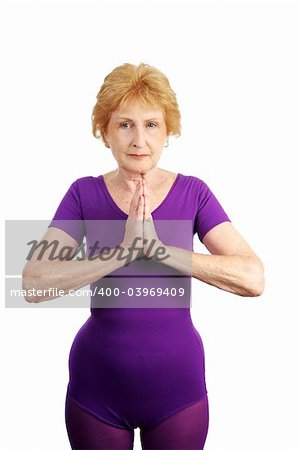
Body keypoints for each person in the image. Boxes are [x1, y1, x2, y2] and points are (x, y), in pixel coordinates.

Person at [22, 62, 265, 450]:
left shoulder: (194, 193)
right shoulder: (83, 194)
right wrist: (121, 253)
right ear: (104, 131)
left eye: (151, 124)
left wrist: (160, 250)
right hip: (96, 392)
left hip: (178, 393)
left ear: (169, 131)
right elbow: (32, 283)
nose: (139, 140)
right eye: (125, 125)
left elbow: (253, 278)